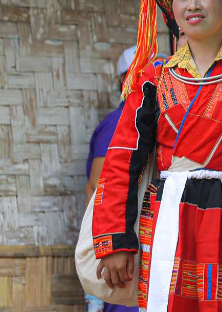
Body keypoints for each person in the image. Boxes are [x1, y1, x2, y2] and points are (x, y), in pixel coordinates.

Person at [91, 0, 222, 311]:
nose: (193, 4)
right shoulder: (153, 79)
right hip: (170, 213)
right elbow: (122, 159)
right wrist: (116, 241)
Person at [84, 46, 137, 312]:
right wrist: (106, 246)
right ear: (123, 79)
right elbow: (97, 187)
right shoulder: (119, 121)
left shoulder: (152, 119)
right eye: (137, 73)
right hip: (120, 244)